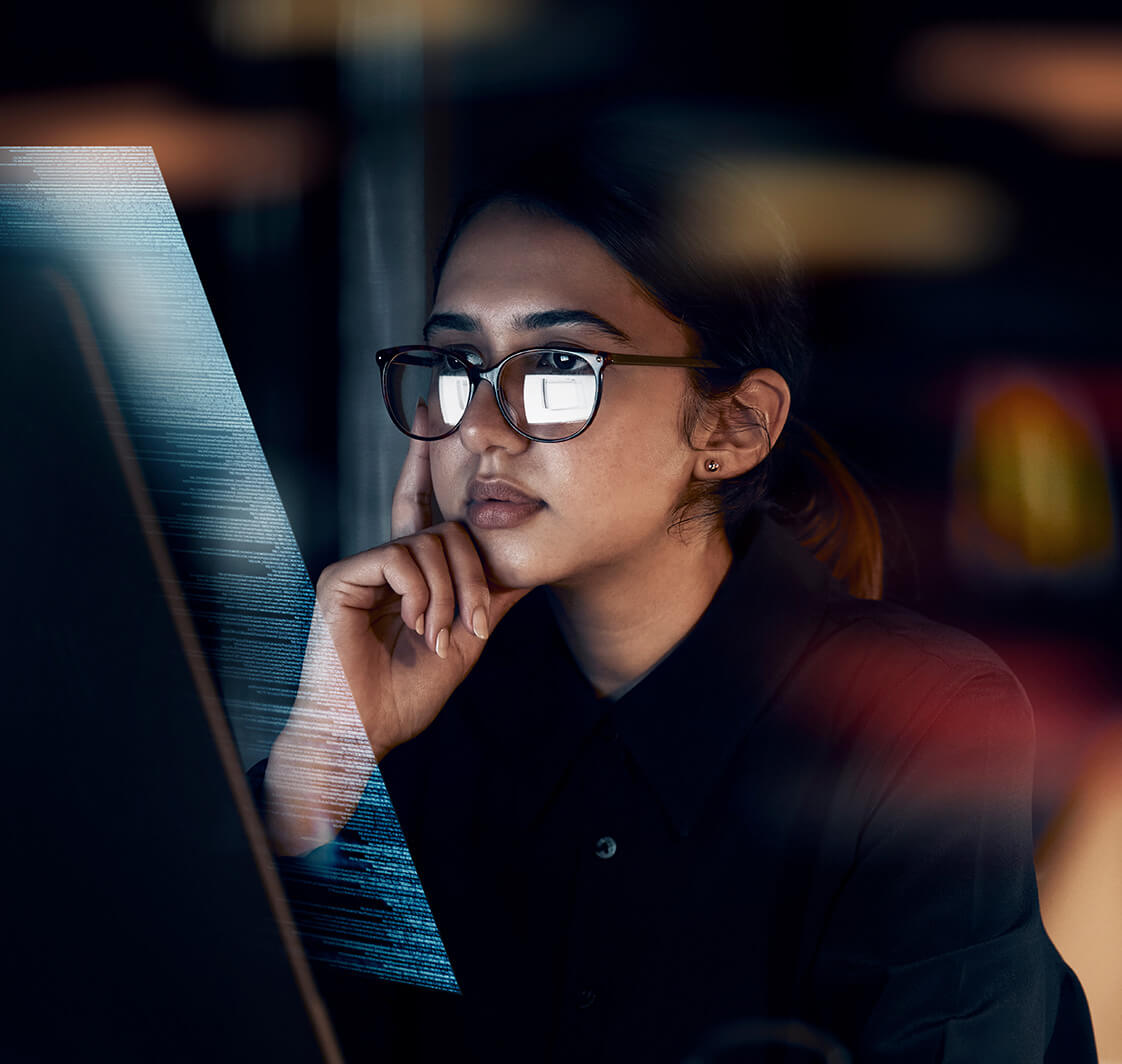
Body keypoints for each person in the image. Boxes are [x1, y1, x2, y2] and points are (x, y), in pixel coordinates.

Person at [259, 123, 1097, 1062]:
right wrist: (319, 777)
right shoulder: (408, 708)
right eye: (458, 367)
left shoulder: (902, 720)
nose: (482, 432)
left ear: (735, 427)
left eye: (560, 368)